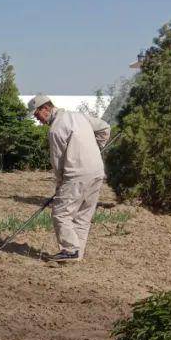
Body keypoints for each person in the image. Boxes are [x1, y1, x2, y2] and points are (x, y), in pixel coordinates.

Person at [28, 93, 109, 263]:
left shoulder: (56, 129)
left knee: (60, 214)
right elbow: (104, 127)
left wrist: (59, 185)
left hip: (76, 175)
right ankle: (76, 254)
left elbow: (57, 162)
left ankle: (70, 250)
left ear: (45, 108)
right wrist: (96, 148)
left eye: (37, 115)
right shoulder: (79, 116)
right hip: (97, 172)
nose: (37, 119)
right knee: (83, 215)